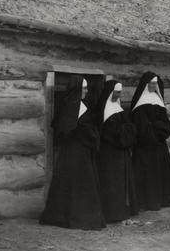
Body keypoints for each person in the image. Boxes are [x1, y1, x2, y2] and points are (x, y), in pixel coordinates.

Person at [40, 77, 105, 229]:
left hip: (78, 153)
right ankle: (73, 218)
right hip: (74, 154)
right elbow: (64, 131)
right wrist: (85, 133)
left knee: (79, 185)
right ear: (76, 89)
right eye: (84, 88)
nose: (86, 91)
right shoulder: (70, 107)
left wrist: (87, 133)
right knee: (73, 184)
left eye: (87, 88)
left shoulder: (80, 106)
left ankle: (76, 217)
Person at [130, 71, 170, 211]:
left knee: (159, 173)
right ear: (145, 84)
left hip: (159, 146)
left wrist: (157, 131)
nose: (153, 86)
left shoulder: (159, 102)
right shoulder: (140, 105)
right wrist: (154, 132)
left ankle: (162, 199)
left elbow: (166, 125)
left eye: (155, 83)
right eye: (150, 83)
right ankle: (146, 202)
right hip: (144, 146)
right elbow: (140, 126)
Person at [97, 80, 139, 222]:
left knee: (123, 183)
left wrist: (125, 133)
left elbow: (129, 128)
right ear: (110, 92)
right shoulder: (102, 110)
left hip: (122, 153)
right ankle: (112, 213)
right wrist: (123, 133)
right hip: (109, 154)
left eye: (120, 93)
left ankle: (123, 211)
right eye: (116, 92)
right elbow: (107, 133)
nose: (118, 95)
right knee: (111, 183)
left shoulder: (119, 108)